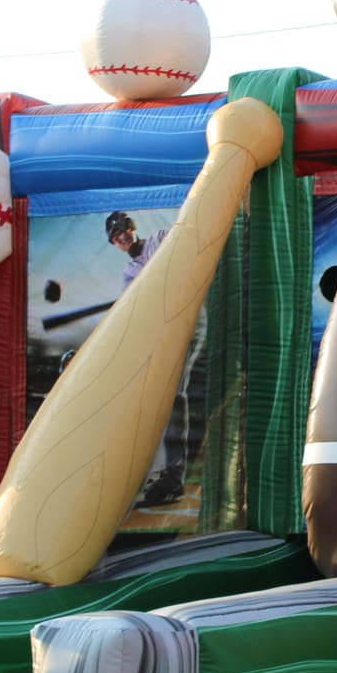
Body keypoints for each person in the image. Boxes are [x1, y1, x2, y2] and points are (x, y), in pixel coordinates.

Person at [105, 209, 199, 508]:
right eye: (115, 235)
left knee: (175, 395)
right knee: (156, 399)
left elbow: (183, 249)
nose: (122, 236)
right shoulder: (129, 273)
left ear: (132, 229)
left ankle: (173, 474)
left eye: (123, 229)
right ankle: (158, 473)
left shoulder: (158, 240)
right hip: (160, 333)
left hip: (185, 321)